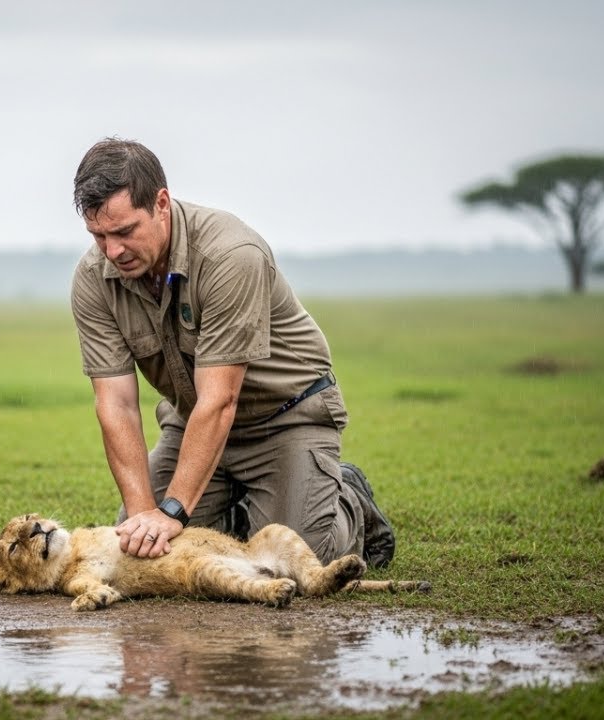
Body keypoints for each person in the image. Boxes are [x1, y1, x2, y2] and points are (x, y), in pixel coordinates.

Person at [68, 137, 395, 569]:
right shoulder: (93, 278)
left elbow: (221, 398)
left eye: (125, 231)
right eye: (99, 236)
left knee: (293, 563)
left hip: (285, 418)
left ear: (161, 204)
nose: (113, 251)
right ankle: (242, 515)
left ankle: (349, 498)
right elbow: (117, 404)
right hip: (192, 424)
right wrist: (144, 514)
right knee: (145, 556)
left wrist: (173, 511)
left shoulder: (230, 255)